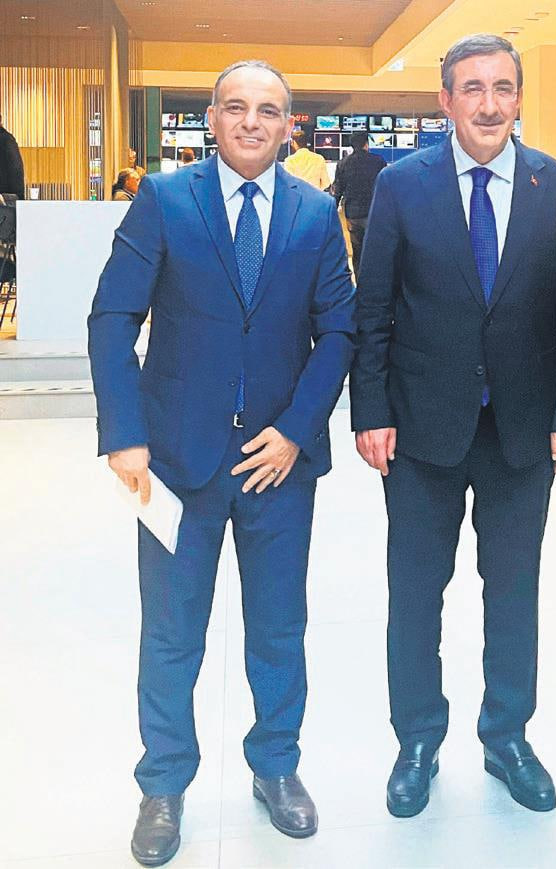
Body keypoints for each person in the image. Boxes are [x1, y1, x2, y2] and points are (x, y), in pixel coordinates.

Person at [88, 59, 356, 866]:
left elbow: (339, 330)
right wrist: (124, 432)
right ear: (211, 118)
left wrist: (296, 429)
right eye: (235, 107)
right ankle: (164, 782)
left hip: (278, 465)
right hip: (176, 461)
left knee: (278, 627)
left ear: (288, 126)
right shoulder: (165, 199)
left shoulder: (315, 212)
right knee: (172, 632)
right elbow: (112, 315)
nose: (250, 122)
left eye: (267, 110)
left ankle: (275, 765)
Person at [352, 33, 556, 819]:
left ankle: (507, 736)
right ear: (445, 100)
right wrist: (371, 409)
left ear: (518, 96)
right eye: (472, 88)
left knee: (514, 591)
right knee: (416, 592)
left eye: (502, 87)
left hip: (523, 429)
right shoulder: (401, 184)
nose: (489, 104)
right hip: (420, 429)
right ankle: (417, 740)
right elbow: (373, 306)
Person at [332, 130, 385, 281]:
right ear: (366, 144)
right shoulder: (378, 161)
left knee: (357, 250)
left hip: (353, 215)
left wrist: (332, 211)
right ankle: (375, 283)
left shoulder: (343, 163)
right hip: (374, 213)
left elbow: (338, 190)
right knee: (376, 250)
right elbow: (385, 187)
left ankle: (360, 283)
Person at [0, 113, 26, 201]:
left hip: (4, 199)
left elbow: (16, 169)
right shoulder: (7, 139)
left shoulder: (6, 139)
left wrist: (17, 197)